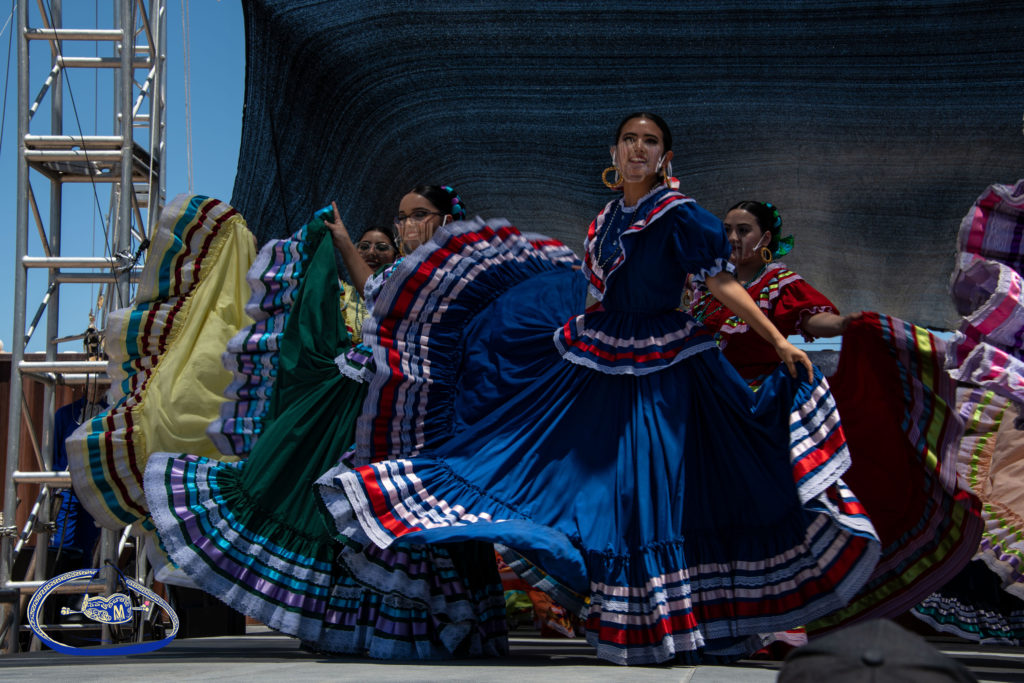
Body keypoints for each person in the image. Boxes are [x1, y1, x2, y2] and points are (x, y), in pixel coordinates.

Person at [317, 112, 882, 665]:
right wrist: (545, 338)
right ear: (614, 153)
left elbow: (721, 281)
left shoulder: (680, 213)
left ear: (666, 158)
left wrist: (779, 341)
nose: (638, 149)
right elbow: (594, 296)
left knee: (654, 487)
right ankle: (646, 615)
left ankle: (678, 619)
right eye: (629, 140)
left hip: (667, 360)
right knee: (584, 482)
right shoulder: (606, 219)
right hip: (602, 353)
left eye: (650, 141)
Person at [144, 186, 511, 658]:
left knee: (408, 511)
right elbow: (373, 291)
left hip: (422, 407)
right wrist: (339, 238)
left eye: (419, 215)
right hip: (370, 396)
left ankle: (420, 626)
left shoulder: (458, 269)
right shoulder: (402, 268)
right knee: (349, 507)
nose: (407, 226)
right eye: (401, 217)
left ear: (445, 220)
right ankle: (355, 627)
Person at [688, 201, 984, 635]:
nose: (733, 238)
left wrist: (848, 323)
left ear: (765, 240)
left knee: (764, 509)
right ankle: (704, 615)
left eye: (744, 230)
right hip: (703, 408)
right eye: (727, 229)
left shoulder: (778, 283)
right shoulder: (701, 284)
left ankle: (775, 618)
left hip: (756, 411)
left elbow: (813, 320)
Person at [341, 225, 397, 344]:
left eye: (382, 248)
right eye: (364, 247)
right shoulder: (338, 292)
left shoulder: (402, 296)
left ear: (396, 256)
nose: (371, 253)